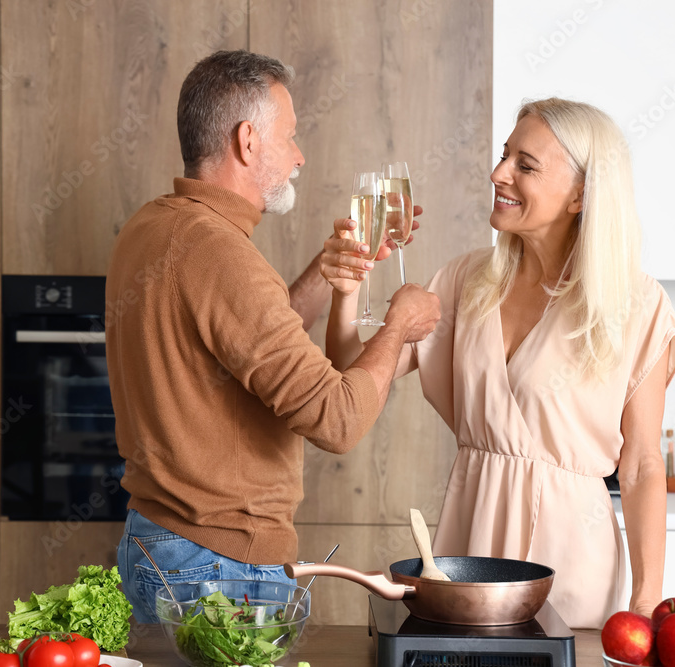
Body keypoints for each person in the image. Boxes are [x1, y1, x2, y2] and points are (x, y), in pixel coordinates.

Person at [320, 98, 675, 629]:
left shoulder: (638, 306)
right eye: (504, 155)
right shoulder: (467, 282)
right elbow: (352, 375)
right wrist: (347, 293)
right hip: (470, 555)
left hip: (572, 567)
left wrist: (647, 600)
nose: (498, 174)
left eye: (525, 165)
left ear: (582, 194)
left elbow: (644, 465)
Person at [106, 50, 441, 622]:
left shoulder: (155, 225)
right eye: (289, 136)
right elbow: (337, 420)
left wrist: (330, 267)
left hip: (157, 543)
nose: (299, 155)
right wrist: (398, 327)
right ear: (247, 141)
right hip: (216, 567)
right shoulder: (220, 253)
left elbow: (243, 342)